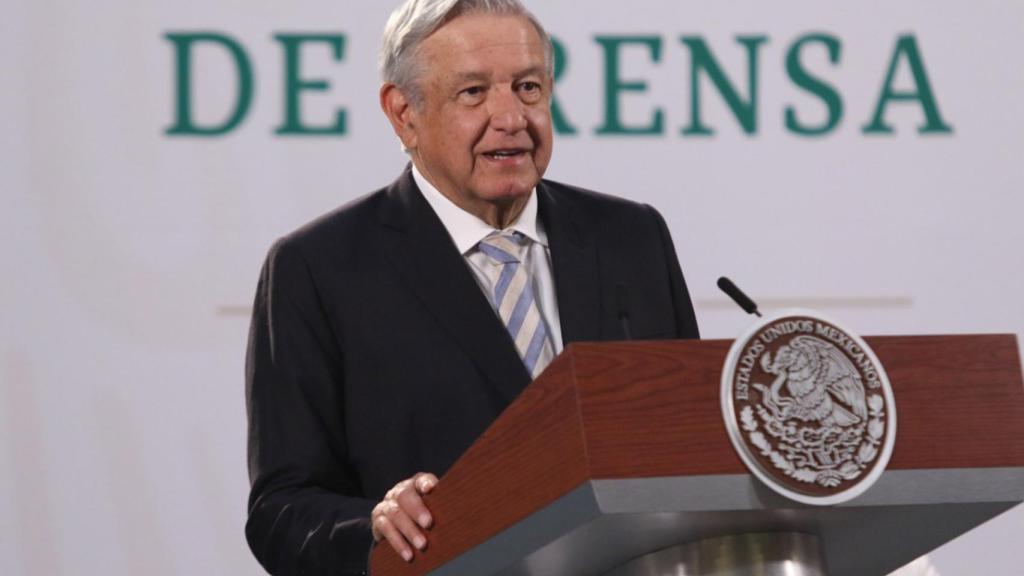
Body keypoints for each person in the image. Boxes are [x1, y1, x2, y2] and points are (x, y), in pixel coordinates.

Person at [244, 0, 700, 574]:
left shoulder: (632, 238)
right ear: (403, 112)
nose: (511, 117)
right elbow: (281, 510)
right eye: (473, 93)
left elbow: (691, 447)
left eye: (528, 87)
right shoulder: (318, 269)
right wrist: (377, 527)